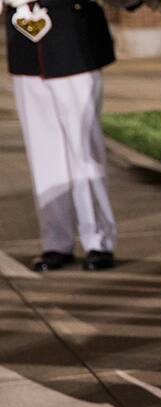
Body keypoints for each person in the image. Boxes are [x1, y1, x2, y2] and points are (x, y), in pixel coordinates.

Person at [5, 0, 118, 271]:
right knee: (43, 150)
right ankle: (56, 241)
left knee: (83, 149)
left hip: (72, 39)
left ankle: (98, 240)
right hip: (25, 45)